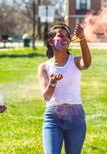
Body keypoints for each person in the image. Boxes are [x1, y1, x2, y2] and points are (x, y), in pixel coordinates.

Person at [37, 23, 91, 154]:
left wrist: (82, 38)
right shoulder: (44, 67)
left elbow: (87, 63)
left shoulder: (76, 62)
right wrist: (53, 83)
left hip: (75, 116)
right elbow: (46, 97)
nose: (65, 38)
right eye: (60, 35)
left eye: (67, 36)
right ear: (50, 42)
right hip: (53, 117)